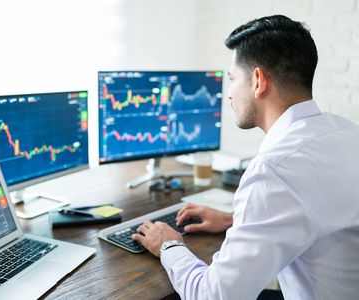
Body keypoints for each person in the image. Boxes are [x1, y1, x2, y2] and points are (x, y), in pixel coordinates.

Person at [132, 15, 359, 300]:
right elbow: (317, 209)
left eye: (232, 79)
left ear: (258, 81)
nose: (228, 94)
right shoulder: (346, 132)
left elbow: (212, 295)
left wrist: (169, 245)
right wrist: (235, 219)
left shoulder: (274, 171)